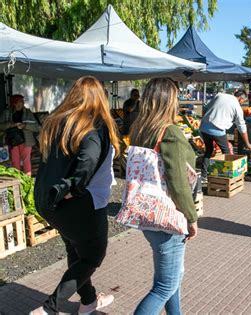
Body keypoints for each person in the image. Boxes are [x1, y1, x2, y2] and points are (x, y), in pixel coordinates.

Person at [31, 77, 121, 314]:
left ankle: (89, 299)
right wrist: (74, 188)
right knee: (93, 255)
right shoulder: (94, 125)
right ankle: (49, 308)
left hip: (50, 200)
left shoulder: (57, 121)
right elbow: (88, 160)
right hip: (84, 201)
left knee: (76, 249)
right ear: (100, 97)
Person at [124, 78, 198, 315]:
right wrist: (192, 217)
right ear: (169, 101)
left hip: (148, 212)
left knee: (172, 277)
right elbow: (178, 182)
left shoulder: (141, 128)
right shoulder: (171, 132)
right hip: (169, 216)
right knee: (164, 286)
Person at [200, 90, 251, 183]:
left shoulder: (220, 95)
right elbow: (242, 127)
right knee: (227, 153)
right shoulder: (237, 107)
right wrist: (247, 143)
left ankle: (204, 177)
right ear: (241, 98)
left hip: (204, 127)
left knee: (208, 151)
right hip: (218, 130)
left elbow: (205, 107)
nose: (242, 103)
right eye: (243, 101)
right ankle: (227, 177)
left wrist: (206, 120)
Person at [0, 95, 40, 176]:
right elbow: (1, 126)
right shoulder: (7, 112)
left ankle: (28, 180)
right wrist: (12, 125)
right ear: (14, 103)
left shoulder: (28, 112)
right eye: (20, 101)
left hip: (26, 140)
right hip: (12, 141)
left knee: (26, 160)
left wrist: (24, 125)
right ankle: (18, 180)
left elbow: (37, 127)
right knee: (15, 161)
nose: (23, 103)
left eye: (23, 101)